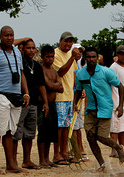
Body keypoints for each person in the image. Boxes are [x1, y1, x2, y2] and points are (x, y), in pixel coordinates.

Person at [0, 26, 30, 175]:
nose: (9, 38)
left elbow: (21, 73)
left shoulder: (16, 51)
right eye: (6, 35)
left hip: (16, 96)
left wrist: (26, 92)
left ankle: (10, 164)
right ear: (0, 37)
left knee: (10, 131)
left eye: (11, 35)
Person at [74, 47, 124, 170]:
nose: (91, 59)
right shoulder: (80, 74)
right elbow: (78, 91)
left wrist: (120, 106)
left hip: (105, 108)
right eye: (88, 57)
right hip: (90, 109)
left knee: (101, 137)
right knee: (90, 137)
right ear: (84, 58)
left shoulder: (106, 72)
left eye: (93, 57)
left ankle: (119, 148)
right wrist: (74, 105)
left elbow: (120, 87)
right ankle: (102, 164)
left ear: (97, 58)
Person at [13, 38, 49, 170]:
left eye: (33, 48)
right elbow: (11, 45)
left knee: (29, 133)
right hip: (20, 103)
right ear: (22, 49)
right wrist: (24, 38)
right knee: (16, 133)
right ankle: (13, 162)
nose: (31, 50)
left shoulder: (37, 66)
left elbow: (41, 85)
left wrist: (45, 102)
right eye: (28, 48)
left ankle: (26, 160)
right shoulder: (18, 62)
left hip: (33, 103)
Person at [52, 31, 80, 165]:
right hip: (59, 96)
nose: (68, 44)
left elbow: (74, 74)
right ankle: (56, 154)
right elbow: (61, 72)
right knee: (59, 127)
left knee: (66, 127)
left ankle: (64, 152)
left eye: (70, 42)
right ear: (60, 41)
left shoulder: (71, 54)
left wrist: (78, 92)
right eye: (66, 41)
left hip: (69, 95)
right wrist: (72, 58)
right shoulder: (56, 54)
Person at [38, 45, 63, 168]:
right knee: (43, 132)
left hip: (53, 104)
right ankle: (42, 159)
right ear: (42, 57)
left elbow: (61, 88)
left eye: (52, 56)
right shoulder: (41, 70)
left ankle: (47, 159)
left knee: (51, 132)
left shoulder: (54, 71)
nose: (50, 59)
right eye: (48, 57)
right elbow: (48, 85)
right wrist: (55, 85)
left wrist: (54, 85)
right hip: (43, 104)